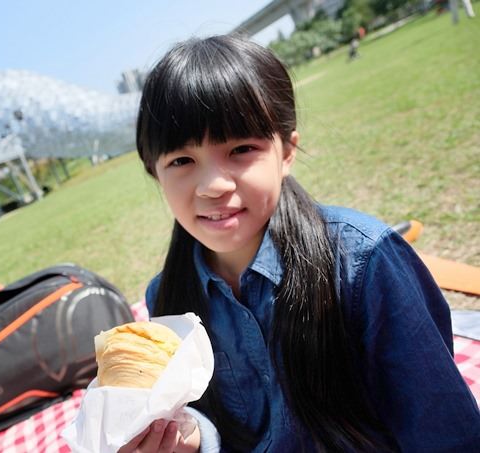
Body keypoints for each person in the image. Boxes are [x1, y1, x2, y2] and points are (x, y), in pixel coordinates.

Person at [120, 35, 480, 452]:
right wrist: (194, 438)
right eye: (182, 161)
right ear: (155, 172)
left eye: (241, 149)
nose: (213, 186)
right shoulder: (165, 299)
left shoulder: (363, 264)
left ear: (286, 151)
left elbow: (447, 434)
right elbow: (209, 420)